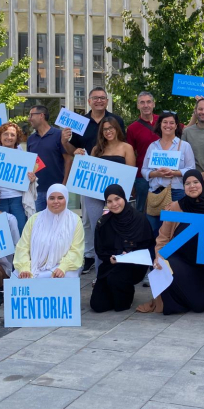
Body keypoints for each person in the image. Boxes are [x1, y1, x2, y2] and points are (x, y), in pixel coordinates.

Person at [138, 170, 204, 314]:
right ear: (183, 187)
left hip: (202, 266)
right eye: (187, 183)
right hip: (178, 261)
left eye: (196, 182)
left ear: (203, 184)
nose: (192, 186)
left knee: (200, 306)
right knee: (164, 267)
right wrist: (159, 257)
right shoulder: (175, 207)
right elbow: (163, 237)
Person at [60, 87, 125, 260]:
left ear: (107, 101)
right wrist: (65, 142)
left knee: (115, 215)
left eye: (103, 98)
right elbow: (73, 150)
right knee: (90, 220)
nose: (99, 101)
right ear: (89, 101)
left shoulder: (116, 120)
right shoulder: (79, 122)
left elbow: (122, 146)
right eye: (95, 98)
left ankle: (114, 254)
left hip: (112, 175)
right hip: (90, 177)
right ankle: (91, 255)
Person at [74, 116, 136, 274]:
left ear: (117, 129)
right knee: (98, 232)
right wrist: (80, 155)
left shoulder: (126, 148)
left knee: (118, 232)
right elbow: (89, 169)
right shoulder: (97, 149)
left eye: (111, 128)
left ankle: (118, 271)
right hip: (95, 195)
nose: (108, 131)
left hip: (117, 198)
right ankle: (100, 273)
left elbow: (130, 174)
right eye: (105, 129)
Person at [90, 184, 155, 313]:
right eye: (109, 201)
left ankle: (127, 294)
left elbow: (148, 246)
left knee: (120, 304)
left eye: (117, 199)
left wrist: (130, 254)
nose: (114, 204)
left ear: (124, 198)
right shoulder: (103, 223)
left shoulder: (139, 219)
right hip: (111, 264)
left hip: (134, 265)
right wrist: (110, 258)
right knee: (97, 306)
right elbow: (100, 250)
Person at [13, 184, 85, 278]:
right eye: (51, 198)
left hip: (62, 268)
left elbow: (76, 250)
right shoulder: (35, 219)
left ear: (66, 199)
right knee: (17, 278)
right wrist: (24, 268)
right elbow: (23, 247)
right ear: (47, 200)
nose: (56, 202)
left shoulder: (75, 220)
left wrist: (63, 267)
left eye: (60, 198)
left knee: (67, 277)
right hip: (34, 266)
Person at [142, 111, 195, 234]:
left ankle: (171, 254)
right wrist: (156, 174)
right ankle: (155, 253)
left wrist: (173, 172)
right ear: (160, 124)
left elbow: (191, 169)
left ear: (176, 126)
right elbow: (144, 170)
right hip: (155, 192)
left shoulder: (184, 146)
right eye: (165, 122)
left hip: (176, 192)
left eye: (172, 123)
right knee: (153, 230)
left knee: (174, 230)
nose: (168, 125)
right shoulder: (152, 146)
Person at [0, 121, 36, 233]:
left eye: (12, 135)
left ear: (17, 138)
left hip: (17, 200)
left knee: (21, 232)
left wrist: (32, 180)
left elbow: (28, 181)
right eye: (5, 134)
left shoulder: (24, 157)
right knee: (1, 233)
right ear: (0, 137)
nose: (9, 137)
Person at [26, 105, 70, 212]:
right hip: (37, 190)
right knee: (38, 223)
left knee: (58, 222)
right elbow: (29, 164)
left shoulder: (59, 135)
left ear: (41, 116)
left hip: (56, 190)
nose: (29, 119)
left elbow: (68, 160)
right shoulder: (30, 139)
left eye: (31, 115)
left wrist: (63, 185)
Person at [126, 91, 160, 213]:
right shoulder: (132, 128)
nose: (146, 105)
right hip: (142, 177)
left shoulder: (164, 121)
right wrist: (131, 181)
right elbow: (129, 155)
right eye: (142, 102)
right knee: (141, 211)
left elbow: (186, 129)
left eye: (148, 102)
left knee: (165, 210)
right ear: (138, 106)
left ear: (153, 104)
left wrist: (195, 110)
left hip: (165, 173)